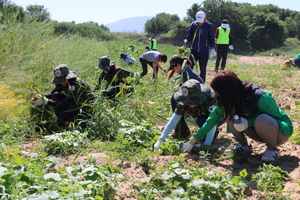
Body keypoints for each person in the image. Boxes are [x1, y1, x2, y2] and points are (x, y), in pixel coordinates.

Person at [182, 70, 293, 162]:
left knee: (261, 119)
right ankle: (244, 146)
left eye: (218, 91)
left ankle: (272, 150)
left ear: (227, 90)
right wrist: (192, 142)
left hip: (279, 134)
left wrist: (248, 122)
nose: (217, 94)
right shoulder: (226, 100)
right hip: (258, 132)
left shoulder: (259, 97)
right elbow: (211, 120)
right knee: (228, 114)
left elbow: (276, 118)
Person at [154, 79, 219, 150]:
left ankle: (212, 134)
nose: (188, 103)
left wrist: (207, 144)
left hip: (217, 116)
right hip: (200, 112)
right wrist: (161, 139)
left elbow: (213, 120)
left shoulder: (210, 98)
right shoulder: (184, 99)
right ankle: (183, 131)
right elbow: (174, 120)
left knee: (202, 121)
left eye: (191, 101)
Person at [184, 11, 216, 82]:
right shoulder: (193, 25)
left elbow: (211, 38)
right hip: (194, 50)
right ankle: (188, 82)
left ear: (205, 18)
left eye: (201, 21)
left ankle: (202, 84)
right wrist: (185, 44)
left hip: (204, 51)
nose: (199, 23)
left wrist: (213, 48)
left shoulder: (209, 26)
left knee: (203, 69)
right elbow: (189, 36)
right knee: (189, 66)